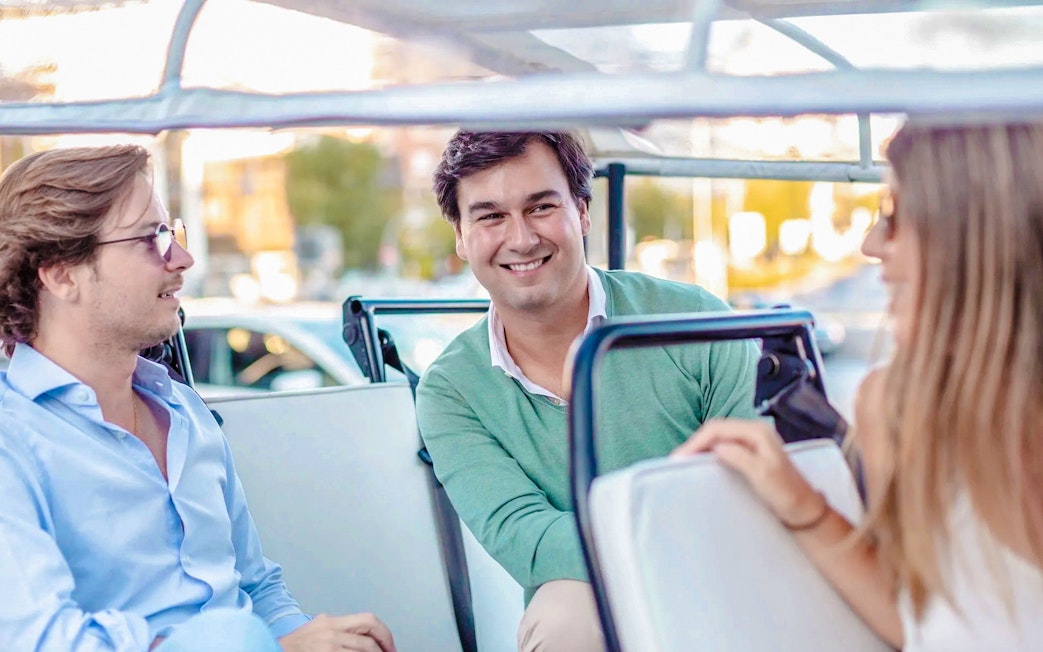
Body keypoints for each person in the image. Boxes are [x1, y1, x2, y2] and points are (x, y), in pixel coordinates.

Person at [0, 145, 396, 652]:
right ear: (61, 274)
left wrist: (316, 642)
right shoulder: (12, 442)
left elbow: (257, 590)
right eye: (149, 239)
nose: (183, 259)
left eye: (172, 234)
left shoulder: (185, 413)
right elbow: (48, 642)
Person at [674, 121, 1043, 651]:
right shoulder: (896, 407)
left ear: (978, 232)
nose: (871, 245)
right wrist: (803, 505)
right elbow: (921, 622)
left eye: (895, 216)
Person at [415, 130, 759, 651]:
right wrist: (661, 535)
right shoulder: (450, 391)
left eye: (541, 207)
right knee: (564, 616)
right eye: (490, 217)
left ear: (581, 211)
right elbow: (526, 539)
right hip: (594, 593)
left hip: (725, 573)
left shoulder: (696, 321)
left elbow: (754, 487)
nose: (521, 239)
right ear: (461, 237)